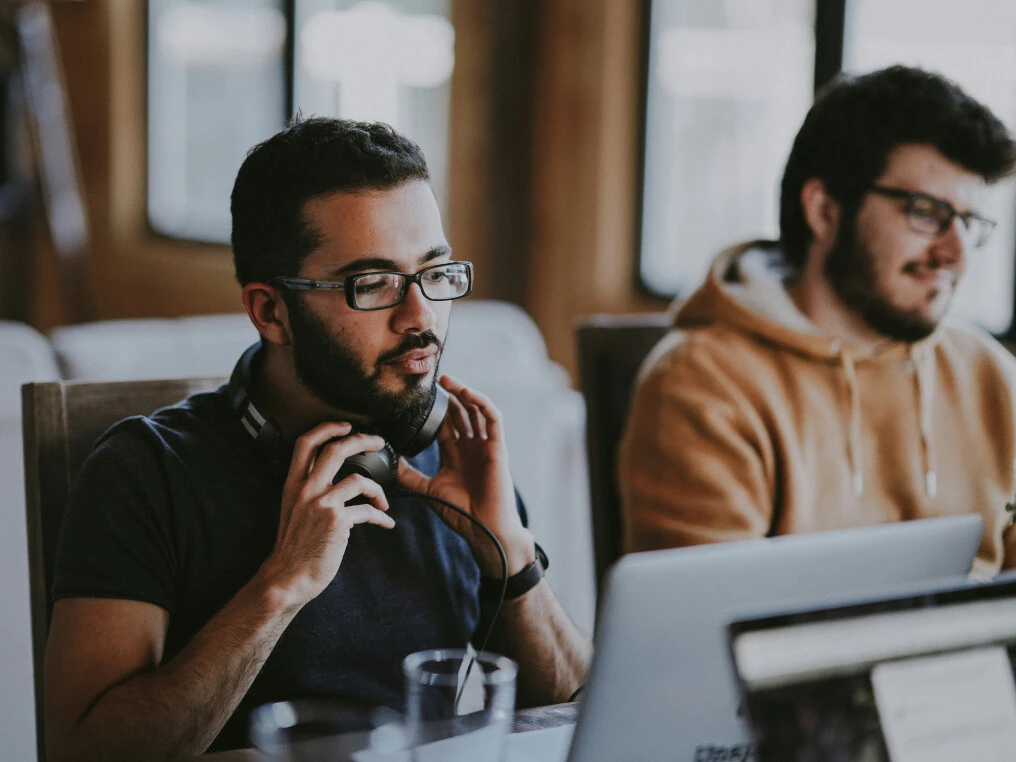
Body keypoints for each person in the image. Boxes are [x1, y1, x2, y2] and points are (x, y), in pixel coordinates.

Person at [44, 118, 591, 760]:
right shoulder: (146, 472)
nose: (422, 319)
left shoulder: (452, 456)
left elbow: (579, 714)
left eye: (435, 273)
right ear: (270, 311)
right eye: (373, 284)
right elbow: (81, 752)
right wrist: (282, 585)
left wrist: (509, 554)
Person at [619, 65, 1016, 572]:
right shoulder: (703, 385)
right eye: (925, 212)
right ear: (825, 210)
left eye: (968, 222)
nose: (955, 254)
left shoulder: (990, 375)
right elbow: (706, 637)